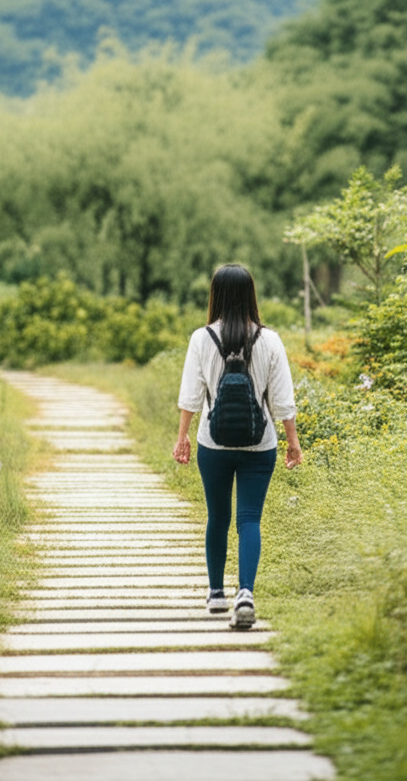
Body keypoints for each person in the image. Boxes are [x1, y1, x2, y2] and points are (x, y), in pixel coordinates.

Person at [173, 263, 302, 629]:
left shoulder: (202, 338)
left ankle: (216, 594)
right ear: (250, 295)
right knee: (249, 519)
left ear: (215, 294)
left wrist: (182, 437)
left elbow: (191, 395)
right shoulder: (270, 340)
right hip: (260, 444)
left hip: (212, 442)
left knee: (217, 516)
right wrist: (293, 442)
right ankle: (245, 592)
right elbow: (282, 401)